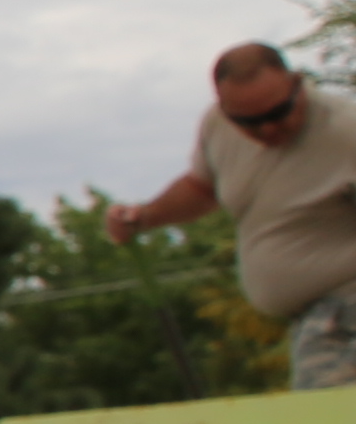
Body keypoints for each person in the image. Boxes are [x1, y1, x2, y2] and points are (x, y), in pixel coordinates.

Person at [109, 41, 356, 390]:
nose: (268, 130)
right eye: (249, 122)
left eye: (278, 113)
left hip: (344, 311)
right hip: (310, 317)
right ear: (224, 110)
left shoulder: (345, 131)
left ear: (297, 85)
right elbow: (201, 189)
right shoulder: (217, 127)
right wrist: (143, 217)